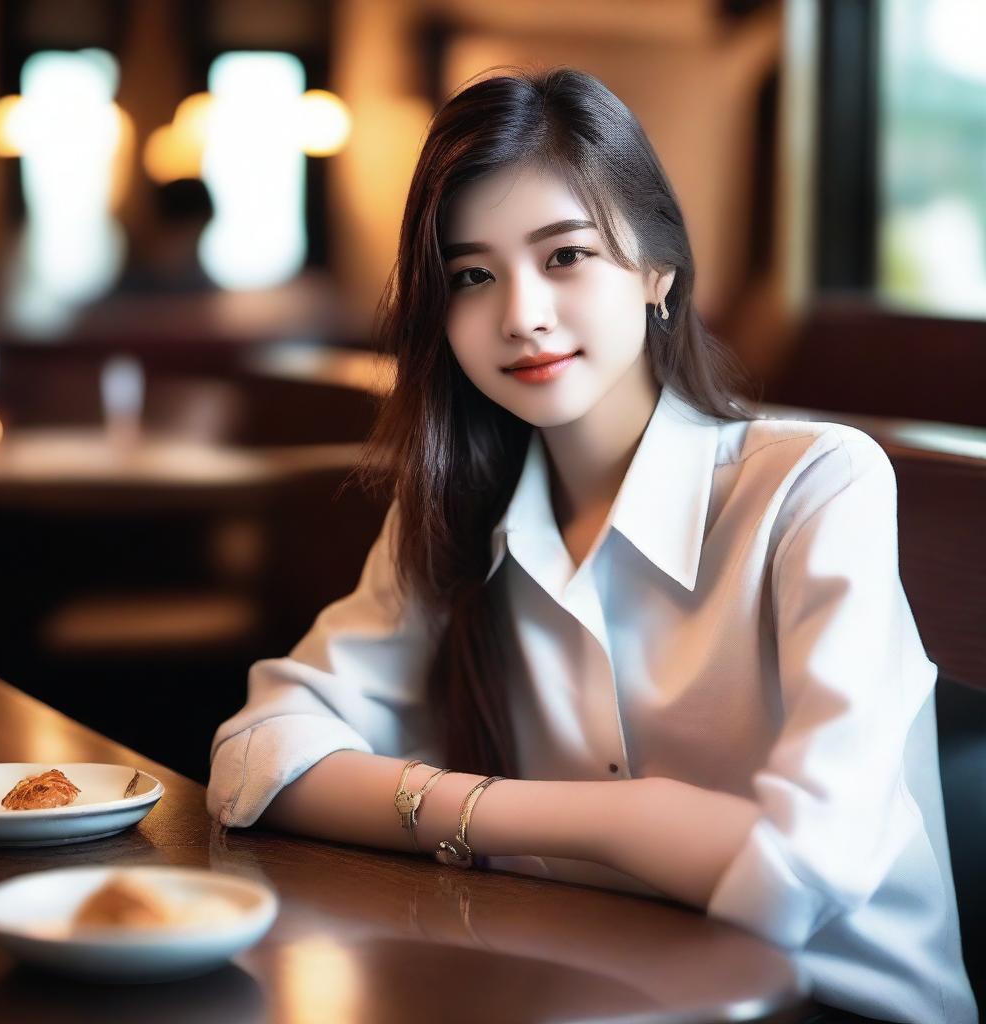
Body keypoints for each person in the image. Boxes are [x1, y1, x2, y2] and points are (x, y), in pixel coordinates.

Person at [206, 67, 976, 1024]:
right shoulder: (451, 505)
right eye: (473, 276)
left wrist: (459, 815)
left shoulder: (818, 483)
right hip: (578, 985)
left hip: (834, 1006)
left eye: (565, 256)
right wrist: (618, 821)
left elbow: (800, 865)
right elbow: (257, 757)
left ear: (660, 271)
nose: (521, 314)